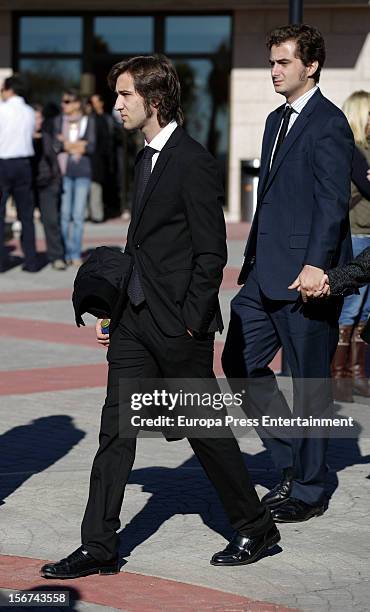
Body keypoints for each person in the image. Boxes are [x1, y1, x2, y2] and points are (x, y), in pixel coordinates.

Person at [40, 55, 279, 580]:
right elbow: (143, 245)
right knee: (114, 433)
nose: (117, 104)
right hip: (133, 324)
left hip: (178, 328)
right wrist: (115, 305)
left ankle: (256, 525)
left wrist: (192, 323)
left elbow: (211, 253)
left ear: (154, 100)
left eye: (124, 95)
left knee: (206, 433)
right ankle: (99, 545)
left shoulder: (191, 160)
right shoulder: (144, 158)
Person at [222, 24, 354, 523]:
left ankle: (310, 489)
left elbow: (331, 201)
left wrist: (318, 263)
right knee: (240, 362)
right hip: (262, 273)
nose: (273, 71)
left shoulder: (329, 123)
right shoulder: (276, 119)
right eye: (271, 61)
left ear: (311, 65)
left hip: (306, 276)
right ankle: (288, 459)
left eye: (283, 62)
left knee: (310, 385)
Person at [329, 91, 370, 402]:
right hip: (357, 235)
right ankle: (340, 377)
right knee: (350, 307)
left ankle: (357, 373)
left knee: (365, 310)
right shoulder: (354, 151)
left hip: (368, 234)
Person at [0, 75, 38, 272]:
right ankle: (31, 261)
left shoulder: (2, 109)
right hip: (24, 164)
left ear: (9, 89)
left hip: (3, 163)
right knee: (26, 215)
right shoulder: (30, 112)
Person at [54, 89, 95, 266]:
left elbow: (91, 146)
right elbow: (55, 145)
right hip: (63, 172)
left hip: (82, 172)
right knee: (64, 215)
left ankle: (75, 252)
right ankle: (63, 252)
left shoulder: (88, 121)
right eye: (63, 101)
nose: (64, 104)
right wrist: (77, 145)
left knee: (78, 216)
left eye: (67, 101)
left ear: (77, 103)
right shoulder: (58, 121)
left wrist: (67, 145)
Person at [32, 105, 66, 270]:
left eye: (40, 118)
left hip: (47, 184)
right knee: (26, 223)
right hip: (28, 186)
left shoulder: (46, 136)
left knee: (51, 221)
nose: (39, 121)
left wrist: (56, 182)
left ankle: (56, 256)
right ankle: (30, 257)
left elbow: (54, 163)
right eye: (35, 118)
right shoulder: (20, 138)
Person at [87, 94, 115, 223]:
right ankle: (94, 214)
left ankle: (97, 213)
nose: (93, 105)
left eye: (95, 102)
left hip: (104, 158)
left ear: (101, 103)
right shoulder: (89, 119)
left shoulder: (108, 119)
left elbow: (112, 137)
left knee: (99, 185)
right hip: (92, 157)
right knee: (93, 185)